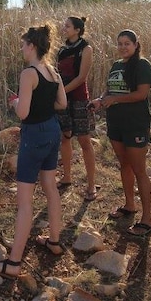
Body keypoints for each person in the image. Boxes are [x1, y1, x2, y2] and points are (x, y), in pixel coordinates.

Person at [0, 24, 67, 279]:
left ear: (32, 46)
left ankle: (14, 263)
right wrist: (42, 104)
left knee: (24, 203)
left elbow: (23, 113)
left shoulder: (28, 73)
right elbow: (62, 103)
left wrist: (17, 102)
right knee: (50, 188)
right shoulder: (53, 71)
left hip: (34, 135)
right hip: (53, 130)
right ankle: (54, 241)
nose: (21, 49)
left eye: (23, 45)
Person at [88, 29, 151, 237]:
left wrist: (115, 100)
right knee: (124, 164)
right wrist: (101, 100)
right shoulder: (117, 65)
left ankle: (147, 219)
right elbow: (110, 90)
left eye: (127, 43)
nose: (123, 47)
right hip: (115, 123)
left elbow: (141, 94)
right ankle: (129, 205)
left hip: (135, 123)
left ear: (136, 45)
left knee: (139, 169)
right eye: (119, 43)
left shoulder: (143, 65)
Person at [56, 16, 98, 201]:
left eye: (67, 26)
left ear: (78, 30)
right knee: (65, 137)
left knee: (84, 141)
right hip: (63, 98)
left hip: (79, 98)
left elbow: (82, 78)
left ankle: (91, 185)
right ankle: (67, 177)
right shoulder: (62, 50)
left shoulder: (86, 48)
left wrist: (62, 92)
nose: (64, 28)